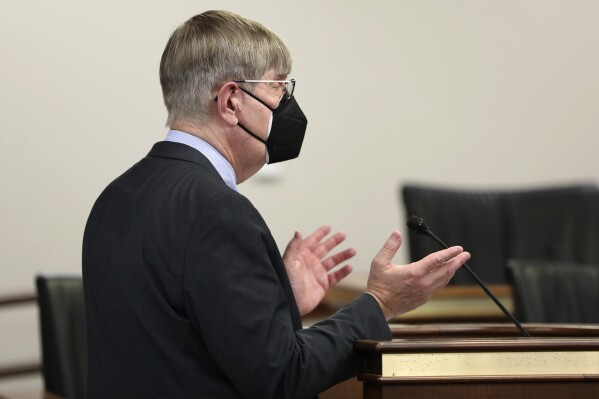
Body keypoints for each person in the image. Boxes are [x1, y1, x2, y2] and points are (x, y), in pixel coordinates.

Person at [82, 10, 470, 399]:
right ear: (232, 102)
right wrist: (380, 303)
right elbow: (282, 377)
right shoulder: (217, 212)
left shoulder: (113, 199)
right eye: (278, 87)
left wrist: (277, 303)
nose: (287, 103)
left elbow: (175, 343)